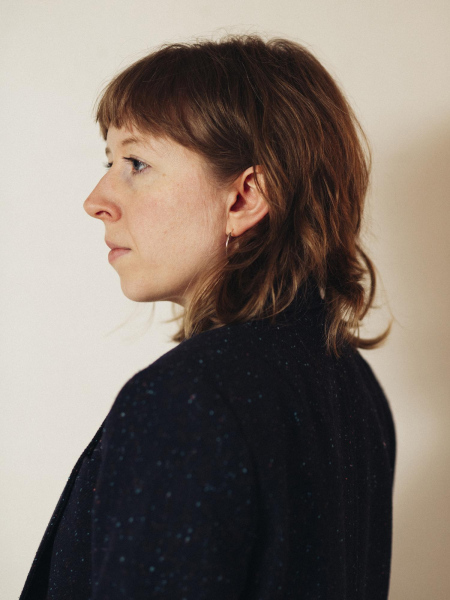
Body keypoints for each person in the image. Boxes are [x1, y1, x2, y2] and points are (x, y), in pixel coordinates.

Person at [19, 34, 396, 599]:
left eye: (136, 163)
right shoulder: (355, 388)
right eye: (109, 161)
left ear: (245, 198)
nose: (96, 200)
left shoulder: (187, 398)